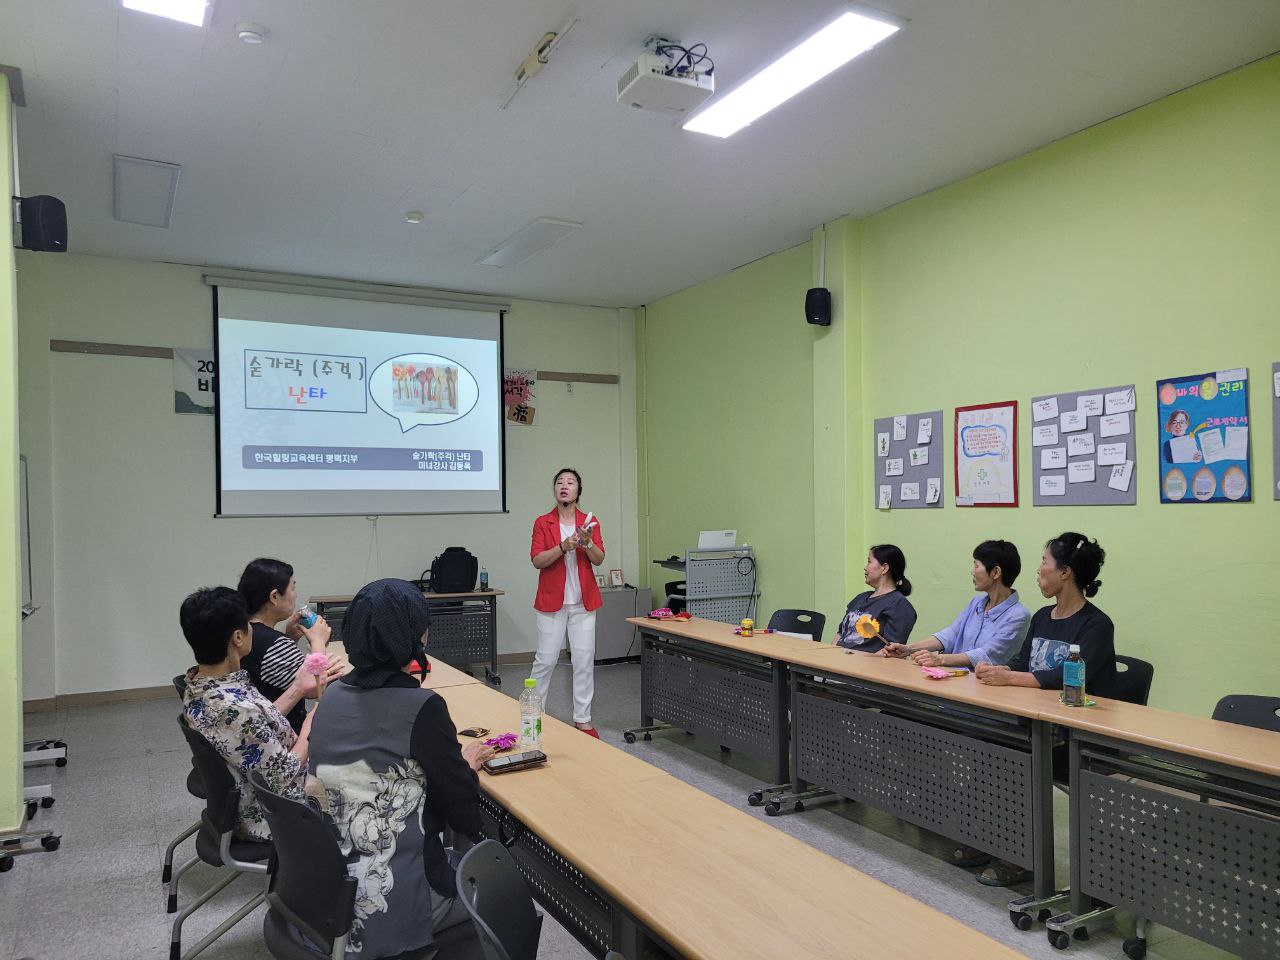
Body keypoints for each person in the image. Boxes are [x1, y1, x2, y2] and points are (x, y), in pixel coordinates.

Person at [307, 579, 494, 960]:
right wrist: (466, 766)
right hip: (392, 907)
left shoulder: (331, 696)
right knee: (505, 890)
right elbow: (465, 814)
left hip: (326, 895)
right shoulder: (422, 707)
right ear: (414, 637)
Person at [971, 532, 1116, 887]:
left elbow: (1066, 677)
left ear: (1065, 572)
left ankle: (1019, 856)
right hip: (1034, 724)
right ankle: (985, 839)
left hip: (1076, 737)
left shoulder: (1096, 624)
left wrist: (1012, 679)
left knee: (1011, 757)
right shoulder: (1041, 617)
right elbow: (1024, 662)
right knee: (980, 741)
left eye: (1044, 563)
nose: (1038, 571)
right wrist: (1002, 671)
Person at [179, 586, 312, 841]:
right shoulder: (233, 708)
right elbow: (284, 777)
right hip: (271, 814)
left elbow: (254, 723)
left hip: (255, 787)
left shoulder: (203, 684)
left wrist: (297, 689)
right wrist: (312, 724)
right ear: (238, 637)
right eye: (250, 624)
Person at [529, 468, 606, 737]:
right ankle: (533, 716)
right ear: (555, 490)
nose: (564, 486)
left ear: (578, 491)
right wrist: (564, 546)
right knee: (546, 660)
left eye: (570, 482)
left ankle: (583, 719)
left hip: (583, 604)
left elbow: (598, 559)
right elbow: (537, 560)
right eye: (559, 482)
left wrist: (586, 543)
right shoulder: (542, 522)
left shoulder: (589, 522)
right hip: (552, 602)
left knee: (584, 661)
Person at [882, 540, 1029, 668]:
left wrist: (940, 659)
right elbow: (952, 634)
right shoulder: (977, 602)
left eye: (976, 566)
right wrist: (908, 649)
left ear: (996, 572)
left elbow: (987, 654)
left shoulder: (1018, 616)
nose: (972, 572)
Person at [237, 557, 340, 732]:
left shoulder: (246, 633)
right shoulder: (273, 644)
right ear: (274, 596)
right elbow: (316, 688)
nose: (295, 594)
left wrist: (290, 638)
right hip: (287, 736)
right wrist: (318, 642)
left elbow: (274, 669)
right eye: (293, 587)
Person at [833, 545, 916, 652]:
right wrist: (830, 656)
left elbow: (891, 651)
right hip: (839, 660)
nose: (865, 567)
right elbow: (840, 633)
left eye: (869, 562)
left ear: (884, 568)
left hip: (866, 666)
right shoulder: (860, 598)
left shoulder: (899, 605)